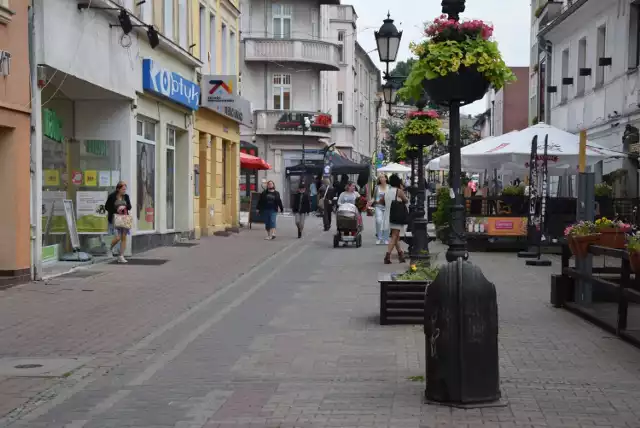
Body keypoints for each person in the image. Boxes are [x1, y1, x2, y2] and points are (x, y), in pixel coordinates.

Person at [382, 174, 409, 264]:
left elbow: (382, 202)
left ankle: (401, 255)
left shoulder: (387, 191)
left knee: (396, 237)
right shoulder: (399, 191)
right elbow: (406, 200)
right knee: (394, 236)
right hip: (397, 216)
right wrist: (401, 188)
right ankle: (387, 256)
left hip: (388, 216)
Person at [105, 181, 132, 264]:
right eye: (123, 189)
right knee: (118, 237)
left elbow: (129, 207)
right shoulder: (112, 196)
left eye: (125, 189)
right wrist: (116, 209)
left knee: (124, 237)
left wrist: (125, 206)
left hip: (124, 219)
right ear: (118, 189)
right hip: (115, 218)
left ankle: (121, 256)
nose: (124, 191)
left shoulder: (126, 197)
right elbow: (107, 207)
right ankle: (109, 248)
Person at [373, 174, 390, 245]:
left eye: (383, 177)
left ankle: (386, 238)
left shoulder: (389, 187)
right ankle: (379, 238)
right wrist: (370, 202)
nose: (381, 179)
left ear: (386, 178)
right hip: (378, 206)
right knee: (378, 221)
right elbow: (373, 197)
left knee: (386, 222)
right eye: (380, 178)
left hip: (387, 207)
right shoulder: (377, 187)